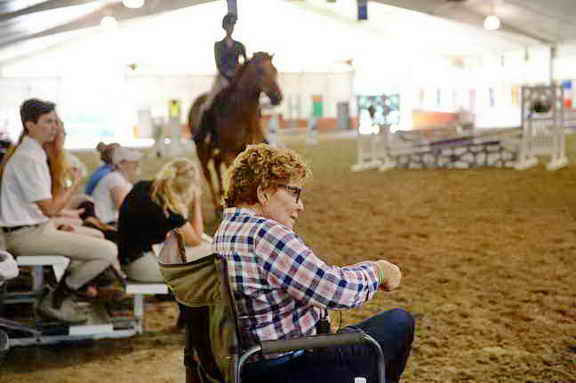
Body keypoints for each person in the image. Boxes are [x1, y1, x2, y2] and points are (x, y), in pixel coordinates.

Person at [213, 144, 415, 383]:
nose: (300, 205)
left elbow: (319, 279)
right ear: (263, 193)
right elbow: (336, 290)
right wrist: (378, 271)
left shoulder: (225, 231)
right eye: (294, 193)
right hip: (288, 367)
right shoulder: (265, 234)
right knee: (398, 321)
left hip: (252, 362)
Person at [0, 99, 120, 323]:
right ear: (30, 125)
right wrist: (73, 183)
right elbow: (50, 208)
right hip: (25, 235)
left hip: (34, 227)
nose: (54, 127)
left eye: (55, 121)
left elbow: (45, 210)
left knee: (96, 235)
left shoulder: (33, 153)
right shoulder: (28, 158)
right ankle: (56, 299)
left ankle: (65, 289)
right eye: (48, 121)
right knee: (108, 251)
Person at [117, 158, 210, 283]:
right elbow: (195, 240)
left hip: (127, 257)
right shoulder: (169, 210)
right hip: (140, 266)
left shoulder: (142, 186)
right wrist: (197, 202)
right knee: (206, 260)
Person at [92, 146, 142, 226]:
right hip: (107, 223)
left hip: (111, 222)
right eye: (132, 161)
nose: (136, 164)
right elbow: (124, 209)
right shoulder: (115, 179)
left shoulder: (122, 180)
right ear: (120, 164)